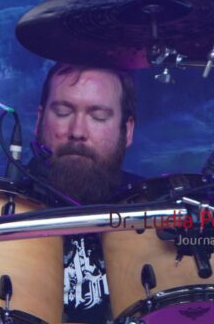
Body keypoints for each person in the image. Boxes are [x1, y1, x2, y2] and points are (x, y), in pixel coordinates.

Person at [31, 62, 139, 323]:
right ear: (39, 120)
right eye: (63, 112)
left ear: (127, 131)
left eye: (98, 116)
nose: (77, 132)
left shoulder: (153, 207)